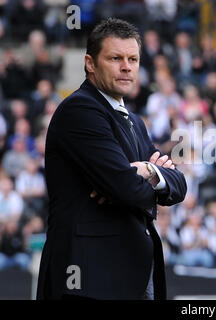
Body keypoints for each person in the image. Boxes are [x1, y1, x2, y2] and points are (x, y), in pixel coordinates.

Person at [36, 18, 187, 300]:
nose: (127, 66)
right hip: (90, 279)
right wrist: (132, 181)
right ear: (90, 63)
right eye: (115, 58)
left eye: (133, 59)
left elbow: (178, 185)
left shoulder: (135, 121)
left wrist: (146, 171)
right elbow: (124, 187)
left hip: (132, 272)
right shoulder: (80, 110)